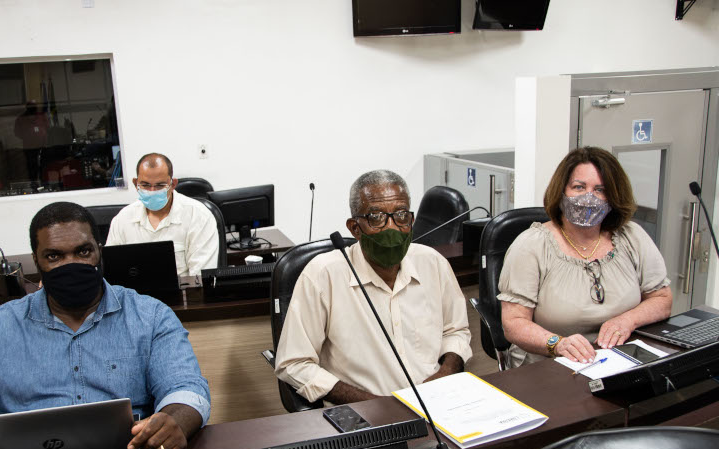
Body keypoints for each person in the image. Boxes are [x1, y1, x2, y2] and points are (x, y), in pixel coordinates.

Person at [0, 202, 211, 449]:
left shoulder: (150, 316)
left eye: (83, 252)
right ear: (37, 262)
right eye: (54, 256)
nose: (71, 265)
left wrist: (173, 421)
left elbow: (185, 389)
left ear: (99, 251)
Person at [275, 170, 472, 404]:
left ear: (411, 220)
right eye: (376, 217)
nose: (392, 228)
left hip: (437, 404)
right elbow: (294, 364)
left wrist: (445, 374)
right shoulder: (323, 275)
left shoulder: (433, 263)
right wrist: (374, 404)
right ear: (354, 228)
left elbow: (456, 332)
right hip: (363, 413)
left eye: (400, 215)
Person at [499, 146, 672, 367]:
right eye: (579, 187)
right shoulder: (530, 245)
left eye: (600, 190)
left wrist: (628, 320)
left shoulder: (632, 236)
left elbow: (662, 299)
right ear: (561, 192)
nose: (589, 198)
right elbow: (513, 323)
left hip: (618, 359)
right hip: (549, 364)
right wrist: (558, 344)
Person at [107, 153, 219, 276]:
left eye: (160, 185)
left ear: (173, 184)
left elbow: (201, 278)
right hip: (135, 294)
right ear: (135, 183)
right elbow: (113, 273)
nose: (152, 191)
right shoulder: (122, 220)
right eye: (145, 185)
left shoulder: (198, 216)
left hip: (185, 294)